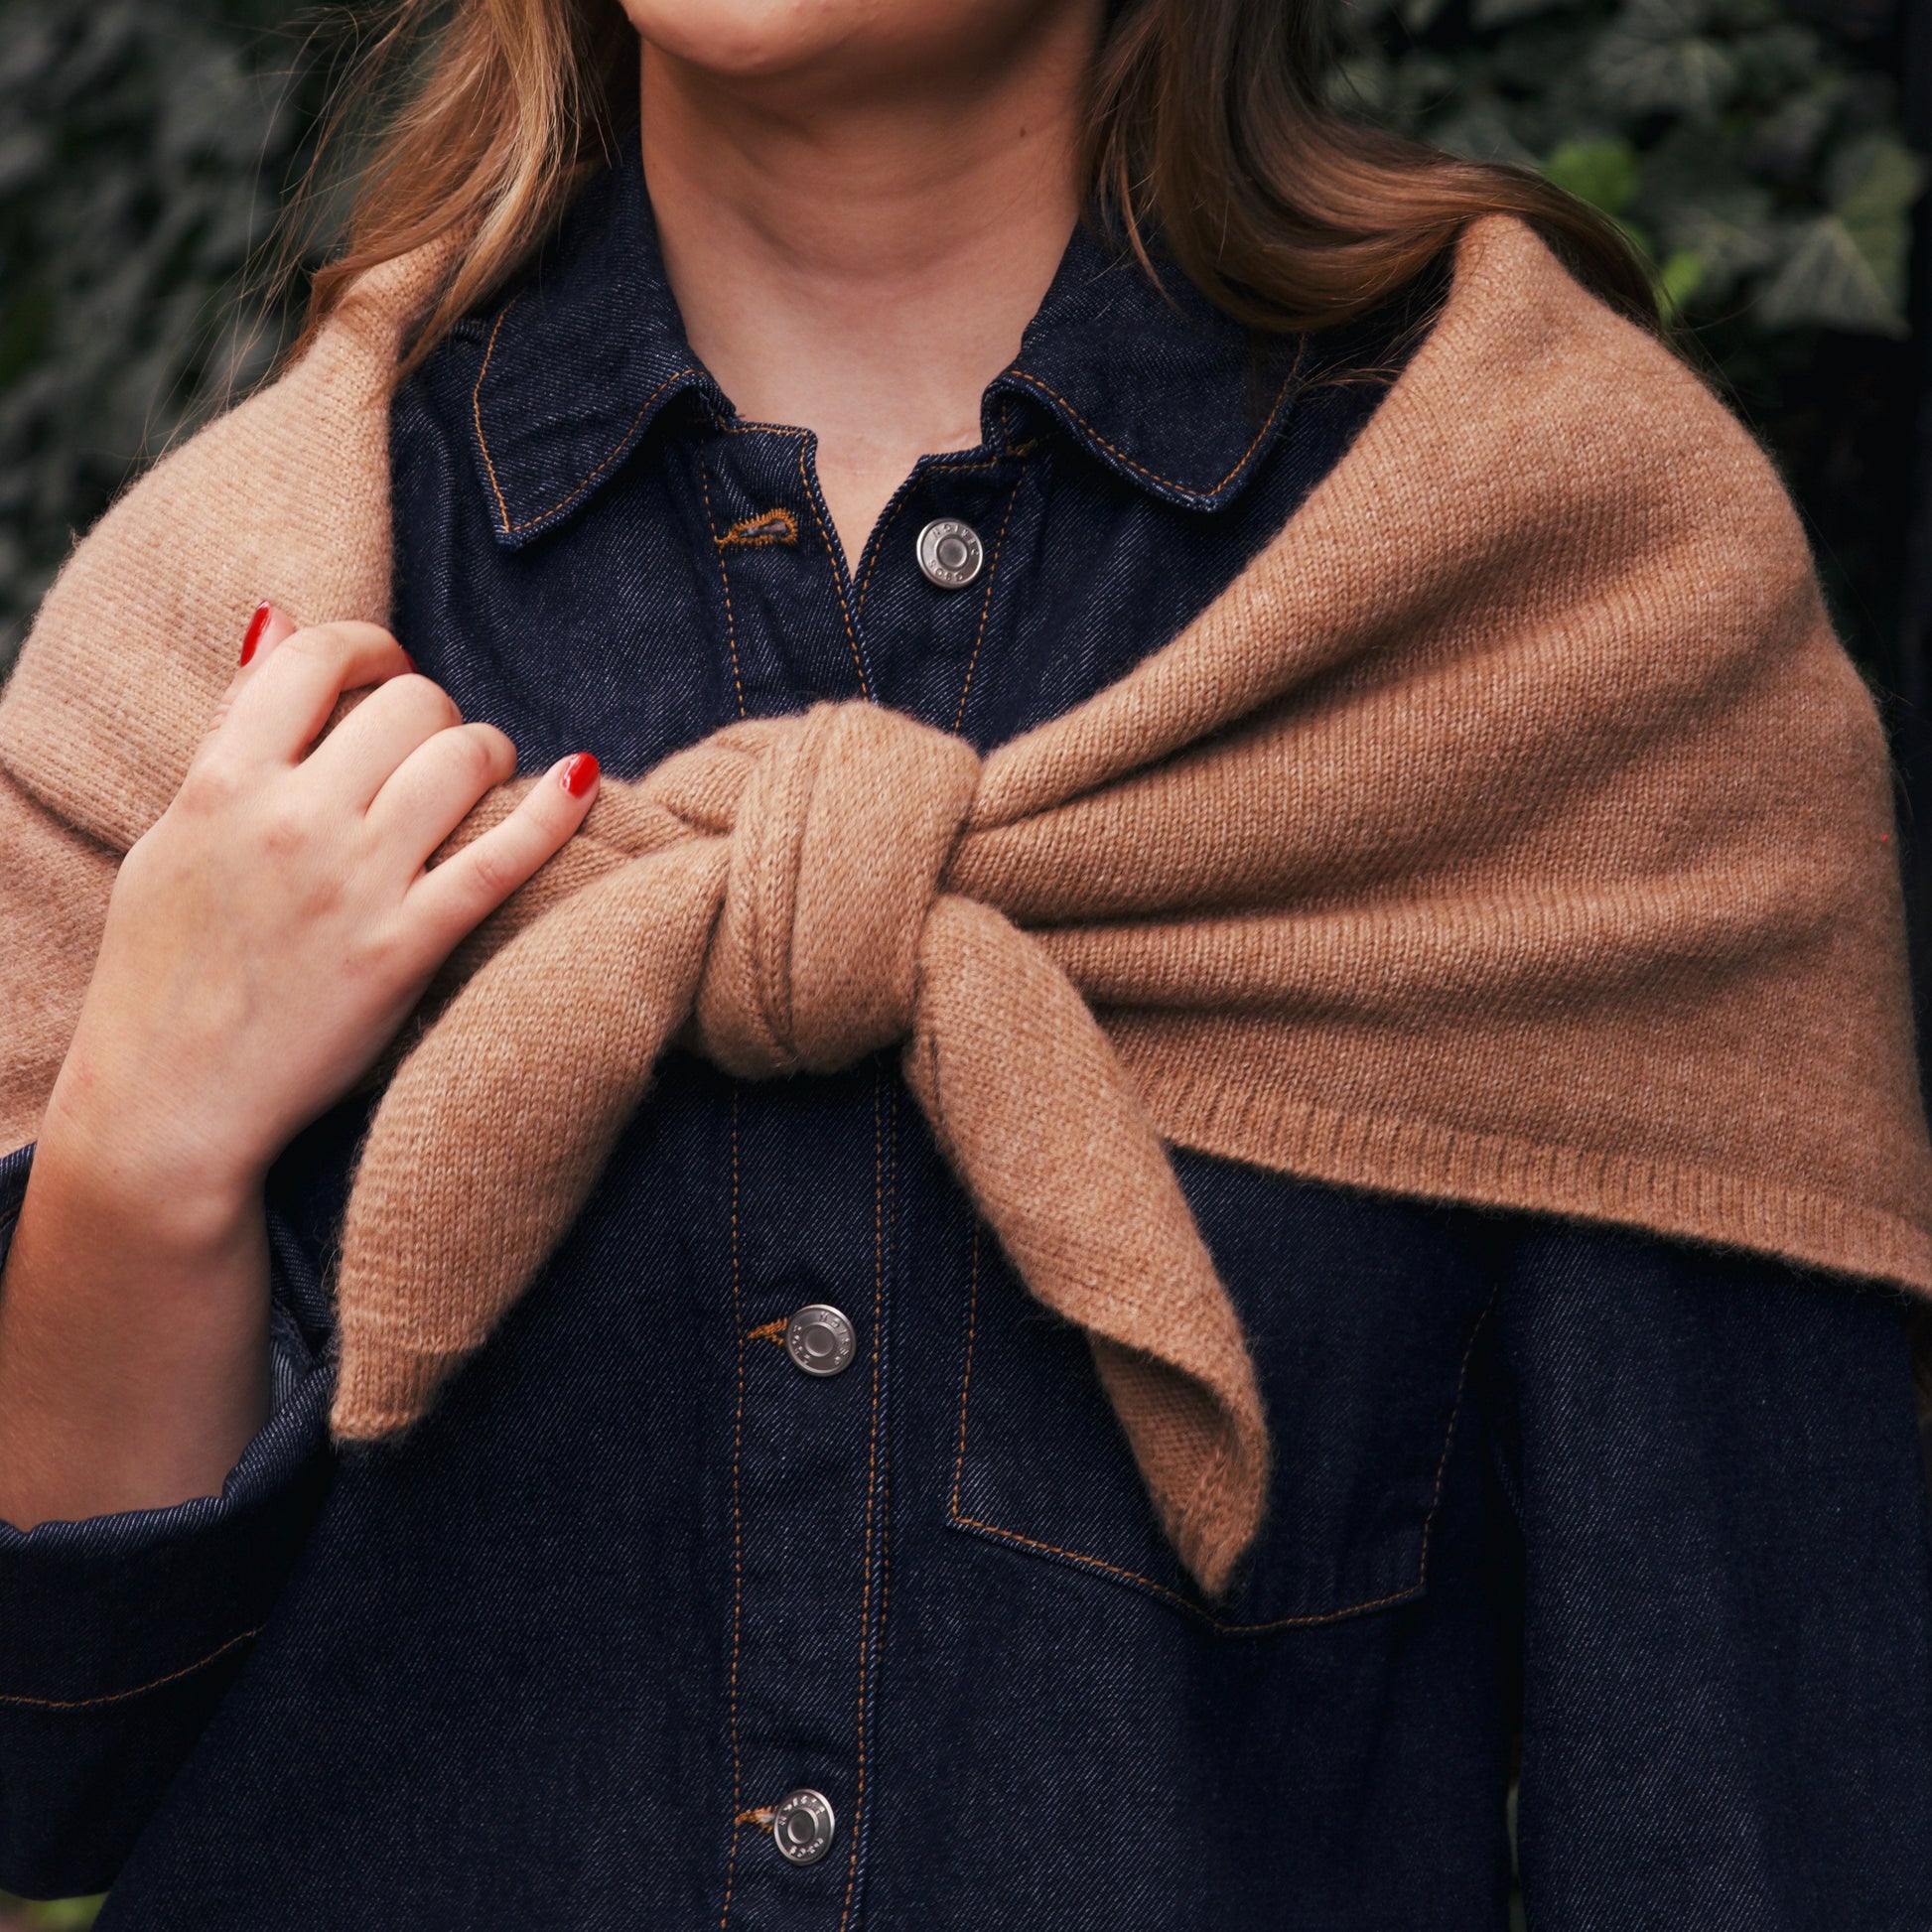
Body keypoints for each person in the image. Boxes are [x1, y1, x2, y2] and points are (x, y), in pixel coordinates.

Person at [2, 0, 1929, 1925]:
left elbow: (1748, 1816)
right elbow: (42, 1782)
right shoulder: (227, 644)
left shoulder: (1565, 587)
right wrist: (140, 1167)